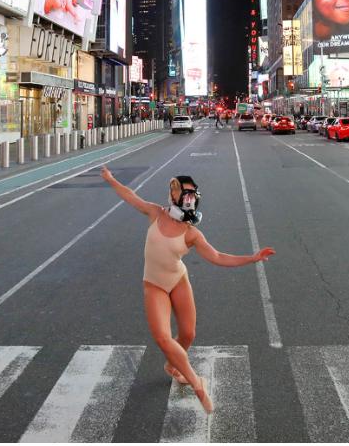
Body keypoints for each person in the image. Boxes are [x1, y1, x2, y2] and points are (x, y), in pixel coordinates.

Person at [99, 167, 273, 414]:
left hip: (178, 280)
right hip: (154, 283)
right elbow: (129, 195)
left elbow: (218, 257)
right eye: (185, 194)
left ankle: (172, 366)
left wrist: (252, 258)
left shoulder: (192, 233)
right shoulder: (155, 213)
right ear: (173, 195)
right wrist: (110, 179)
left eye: (192, 196)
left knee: (188, 335)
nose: (189, 199)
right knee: (162, 337)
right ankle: (196, 384)